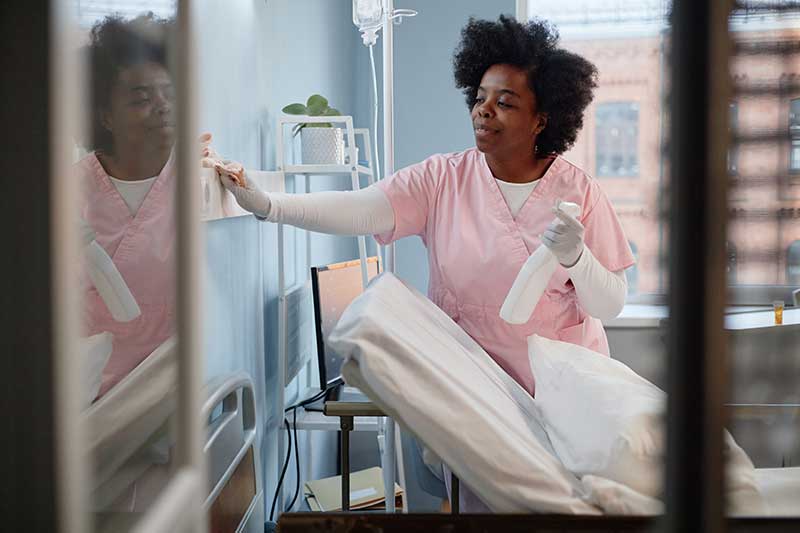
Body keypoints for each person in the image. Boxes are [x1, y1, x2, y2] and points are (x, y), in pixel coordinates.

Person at [217, 15, 635, 510]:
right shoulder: (442, 180)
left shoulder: (577, 192)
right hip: (476, 400)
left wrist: (577, 257)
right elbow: (360, 207)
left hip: (562, 398)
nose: (484, 111)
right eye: (480, 98)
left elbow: (609, 304)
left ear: (543, 118)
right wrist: (268, 206)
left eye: (505, 103)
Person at [77, 13, 214, 398]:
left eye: (170, 94)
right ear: (104, 116)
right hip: (94, 396)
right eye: (141, 98)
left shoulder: (197, 179)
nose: (163, 107)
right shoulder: (67, 192)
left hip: (175, 394)